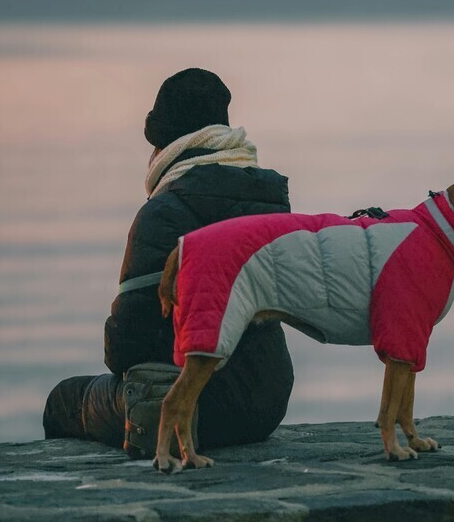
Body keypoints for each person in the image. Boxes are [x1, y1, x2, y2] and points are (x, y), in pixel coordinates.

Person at [42, 68, 294, 449]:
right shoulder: (269, 201)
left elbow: (128, 345)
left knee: (63, 400)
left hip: (195, 408)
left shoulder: (165, 212)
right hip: (266, 403)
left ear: (164, 145)